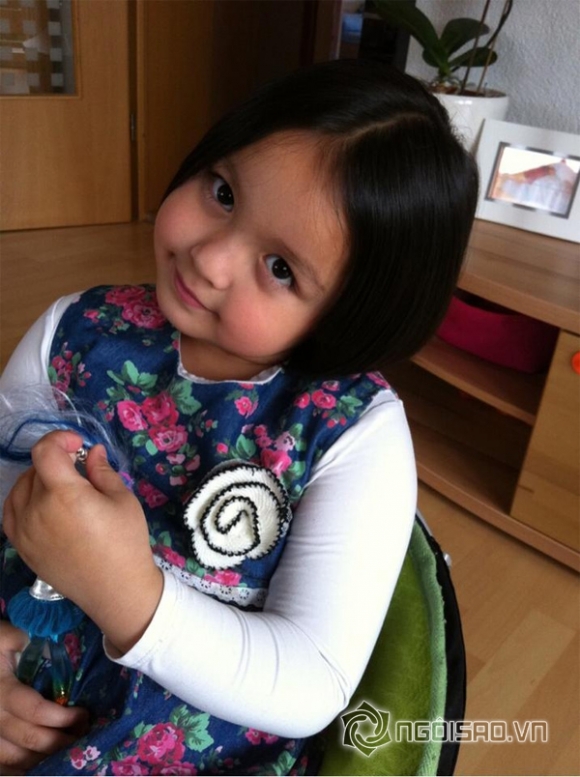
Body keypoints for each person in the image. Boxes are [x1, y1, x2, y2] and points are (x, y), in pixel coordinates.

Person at [0, 59, 478, 775]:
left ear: (353, 317)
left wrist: (129, 597)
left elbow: (310, 681)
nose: (211, 258)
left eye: (281, 268)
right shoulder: (74, 332)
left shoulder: (354, 435)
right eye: (223, 192)